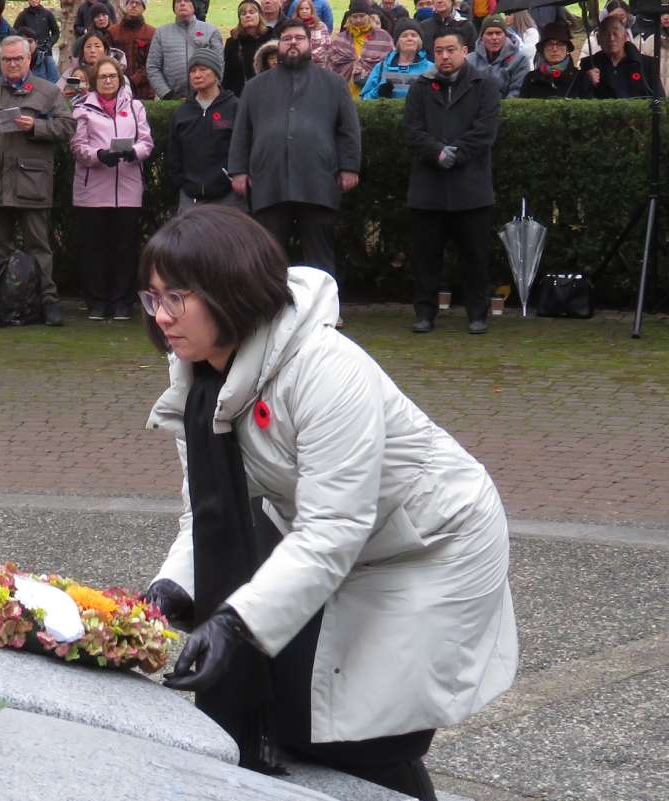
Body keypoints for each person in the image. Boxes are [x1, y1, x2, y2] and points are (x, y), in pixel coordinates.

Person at [140, 204, 516, 800]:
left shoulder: (326, 368)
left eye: (176, 298)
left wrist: (235, 624)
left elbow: (333, 527)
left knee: (365, 729)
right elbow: (206, 514)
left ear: (230, 292)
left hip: (430, 544)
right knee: (297, 703)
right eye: (152, 297)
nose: (161, 317)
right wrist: (173, 587)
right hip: (334, 539)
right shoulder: (198, 374)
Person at [228, 18, 360, 282]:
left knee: (318, 253)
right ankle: (269, 311)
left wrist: (350, 166)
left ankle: (325, 313)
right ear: (278, 45)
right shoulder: (255, 87)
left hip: (318, 180)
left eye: (299, 38)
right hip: (269, 180)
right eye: (287, 39)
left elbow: (348, 129)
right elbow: (242, 131)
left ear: (309, 43)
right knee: (269, 253)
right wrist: (238, 170)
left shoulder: (333, 83)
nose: (293, 44)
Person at [0, 34, 75, 327]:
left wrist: (36, 126)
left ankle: (48, 302)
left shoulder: (48, 92)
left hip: (32, 182)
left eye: (18, 59)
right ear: (0, 61)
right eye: (7, 59)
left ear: (28, 59)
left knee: (39, 246)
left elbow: (67, 126)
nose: (12, 64)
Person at [403, 29, 500, 334]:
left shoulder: (484, 85)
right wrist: (436, 152)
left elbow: (485, 131)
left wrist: (456, 154)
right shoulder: (420, 87)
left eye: (450, 50)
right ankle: (425, 313)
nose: (444, 57)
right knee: (426, 257)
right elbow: (411, 130)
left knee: (475, 256)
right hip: (427, 188)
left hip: (471, 187)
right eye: (439, 51)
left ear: (464, 50)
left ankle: (477, 313)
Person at [70, 55, 154, 321]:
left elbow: (147, 141)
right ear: (95, 81)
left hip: (127, 188)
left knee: (125, 247)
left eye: (112, 76)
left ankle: (122, 301)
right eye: (103, 77)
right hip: (92, 189)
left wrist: (135, 153)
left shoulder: (135, 106)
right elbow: (77, 147)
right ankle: (96, 301)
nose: (108, 81)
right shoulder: (83, 108)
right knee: (94, 247)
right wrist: (98, 155)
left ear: (120, 79)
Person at [167, 46, 241, 212]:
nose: (197, 75)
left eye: (203, 69)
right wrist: (182, 183)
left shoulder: (235, 107)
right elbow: (174, 154)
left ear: (216, 73)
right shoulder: (182, 112)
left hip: (228, 197)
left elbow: (244, 147)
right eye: (192, 71)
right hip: (189, 198)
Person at [147, 0, 222, 99]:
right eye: (178, 1)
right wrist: (167, 94)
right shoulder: (161, 33)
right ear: (174, 7)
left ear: (194, 6)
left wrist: (210, 90)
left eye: (187, 1)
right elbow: (153, 67)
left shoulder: (211, 30)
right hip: (172, 99)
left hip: (205, 96)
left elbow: (219, 64)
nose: (182, 3)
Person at [580, 13, 663, 98]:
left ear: (625, 36)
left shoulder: (647, 64)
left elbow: (660, 100)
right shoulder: (589, 64)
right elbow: (578, 100)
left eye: (615, 32)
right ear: (598, 39)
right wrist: (586, 81)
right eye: (605, 33)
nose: (611, 38)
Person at [328, 0, 394, 99]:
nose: (358, 20)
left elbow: (391, 61)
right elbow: (331, 65)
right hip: (345, 92)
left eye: (362, 16)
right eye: (355, 16)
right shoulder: (340, 39)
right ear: (349, 18)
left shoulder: (383, 37)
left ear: (369, 17)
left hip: (373, 93)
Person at [361, 17, 432, 98]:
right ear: (397, 42)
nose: (409, 38)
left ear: (420, 41)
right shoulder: (381, 67)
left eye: (414, 35)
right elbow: (363, 100)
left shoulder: (431, 69)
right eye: (404, 36)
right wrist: (378, 92)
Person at [519, 20, 592, 98]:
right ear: (543, 49)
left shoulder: (580, 78)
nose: (554, 49)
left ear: (567, 49)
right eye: (549, 44)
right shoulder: (531, 78)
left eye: (560, 44)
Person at [467, 14, 525, 97]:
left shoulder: (520, 59)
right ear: (482, 37)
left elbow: (516, 91)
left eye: (498, 33)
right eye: (489, 33)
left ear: (506, 35)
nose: (494, 37)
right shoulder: (469, 60)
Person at [223, 0, 272, 95]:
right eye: (243, 13)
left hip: (268, 93)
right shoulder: (233, 43)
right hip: (241, 96)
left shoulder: (271, 38)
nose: (247, 16)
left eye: (252, 12)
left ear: (260, 15)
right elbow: (227, 75)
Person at [109, 0, 156, 99]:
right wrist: (121, 79)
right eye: (131, 2)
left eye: (138, 3)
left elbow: (153, 63)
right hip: (117, 89)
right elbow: (108, 60)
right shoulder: (113, 32)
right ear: (126, 6)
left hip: (144, 92)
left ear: (143, 8)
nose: (134, 5)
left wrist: (133, 80)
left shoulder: (152, 33)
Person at [57, 29, 125, 91]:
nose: (92, 50)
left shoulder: (116, 72)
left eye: (97, 46)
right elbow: (56, 94)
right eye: (88, 46)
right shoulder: (71, 73)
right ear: (83, 51)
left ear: (105, 51)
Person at [636, 12, 668, 97]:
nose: (666, 17)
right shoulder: (651, 41)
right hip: (657, 96)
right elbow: (644, 71)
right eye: (663, 14)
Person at [292, 0, 330, 68]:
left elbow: (325, 45)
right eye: (301, 9)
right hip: (297, 64)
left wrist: (308, 57)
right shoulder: (292, 26)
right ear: (298, 11)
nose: (304, 11)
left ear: (311, 10)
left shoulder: (321, 26)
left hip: (318, 66)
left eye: (307, 8)